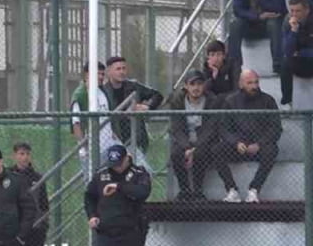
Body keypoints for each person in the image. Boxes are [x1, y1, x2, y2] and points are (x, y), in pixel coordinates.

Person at [167, 71, 233, 202]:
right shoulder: (177, 101)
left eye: (199, 84)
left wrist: (194, 148)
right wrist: (186, 147)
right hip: (184, 140)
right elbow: (176, 128)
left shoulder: (212, 101)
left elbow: (211, 128)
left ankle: (198, 191)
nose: (196, 88)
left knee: (200, 154)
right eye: (192, 84)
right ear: (186, 86)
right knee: (175, 154)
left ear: (204, 86)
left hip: (204, 141)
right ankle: (184, 191)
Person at [219, 68, 283, 202]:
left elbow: (276, 128)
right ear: (241, 84)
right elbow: (224, 129)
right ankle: (232, 190)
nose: (254, 86)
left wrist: (259, 144)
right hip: (238, 147)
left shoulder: (268, 101)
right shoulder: (230, 101)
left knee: (272, 149)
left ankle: (254, 189)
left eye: (256, 82)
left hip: (259, 147)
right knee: (216, 150)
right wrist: (236, 143)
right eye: (250, 83)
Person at [228, 0, 289, 76]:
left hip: (271, 22)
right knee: (235, 25)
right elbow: (237, 9)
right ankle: (234, 65)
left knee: (274, 23)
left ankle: (278, 65)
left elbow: (277, 8)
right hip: (252, 21)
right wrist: (257, 16)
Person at [101, 56, 164, 167]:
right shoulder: (103, 91)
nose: (122, 72)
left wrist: (147, 106)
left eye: (124, 68)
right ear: (109, 71)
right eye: (118, 69)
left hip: (135, 138)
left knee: (141, 170)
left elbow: (157, 95)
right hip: (113, 140)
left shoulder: (134, 86)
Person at [10, 143, 49, 246]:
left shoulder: (37, 177)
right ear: (14, 156)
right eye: (21, 154)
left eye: (27, 154)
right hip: (14, 228)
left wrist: (43, 224)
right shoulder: (8, 175)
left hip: (34, 228)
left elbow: (44, 204)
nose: (24, 157)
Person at [281, 0, 313, 107]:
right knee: (285, 64)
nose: (294, 14)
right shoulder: (288, 21)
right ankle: (287, 101)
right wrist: (294, 31)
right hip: (299, 61)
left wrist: (300, 52)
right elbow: (288, 51)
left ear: (307, 10)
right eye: (292, 11)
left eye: (298, 11)